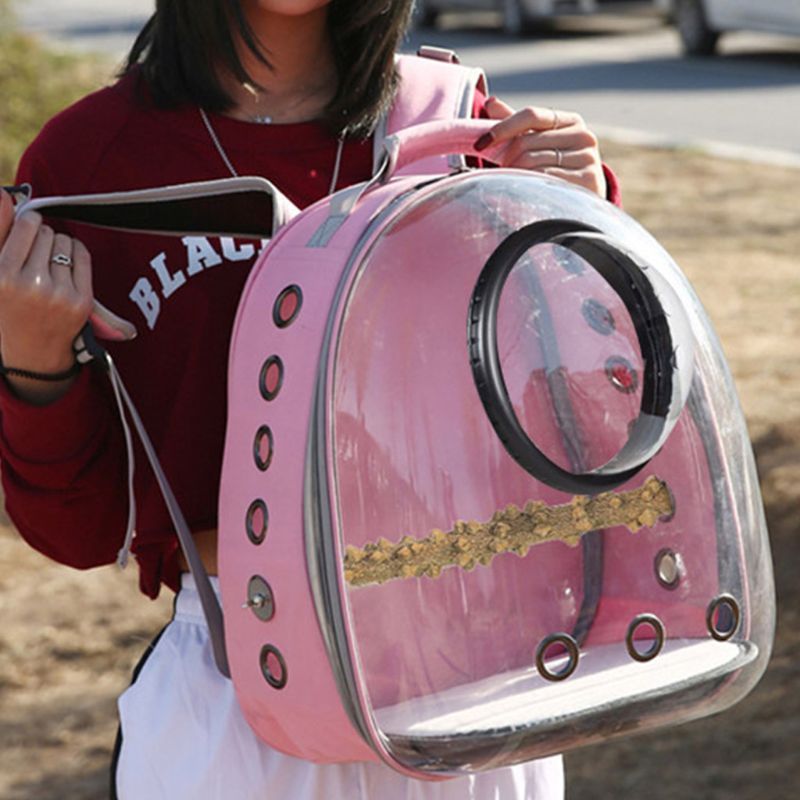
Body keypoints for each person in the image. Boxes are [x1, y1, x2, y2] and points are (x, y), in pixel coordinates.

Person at [0, 1, 620, 797]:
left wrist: (582, 223)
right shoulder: (91, 159)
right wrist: (32, 363)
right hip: (239, 690)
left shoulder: (457, 128)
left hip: (476, 675)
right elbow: (82, 531)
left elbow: (581, 425)